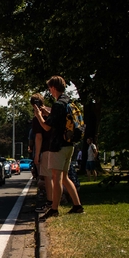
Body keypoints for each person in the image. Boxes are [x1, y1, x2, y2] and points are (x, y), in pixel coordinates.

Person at [33, 76, 84, 221]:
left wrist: (38, 115)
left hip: (58, 146)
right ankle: (77, 205)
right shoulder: (68, 101)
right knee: (65, 178)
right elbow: (60, 120)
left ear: (53, 88)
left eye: (50, 88)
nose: (50, 91)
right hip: (69, 145)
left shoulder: (57, 105)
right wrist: (48, 112)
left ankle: (54, 209)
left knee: (57, 178)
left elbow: (47, 126)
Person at [30, 93, 53, 213]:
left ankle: (50, 202)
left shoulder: (37, 119)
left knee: (48, 177)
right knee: (60, 177)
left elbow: (38, 137)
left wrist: (37, 154)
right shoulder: (52, 112)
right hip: (58, 147)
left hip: (46, 149)